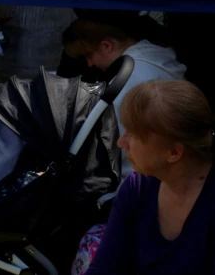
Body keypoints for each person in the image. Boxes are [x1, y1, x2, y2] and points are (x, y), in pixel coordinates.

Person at [83, 79, 215, 274]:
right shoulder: (138, 187)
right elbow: (104, 268)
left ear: (173, 152)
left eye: (133, 135)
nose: (122, 142)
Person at [62, 17, 186, 181]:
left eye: (88, 55)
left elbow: (118, 147)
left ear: (106, 46)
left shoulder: (127, 82)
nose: (90, 64)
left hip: (141, 178)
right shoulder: (160, 59)